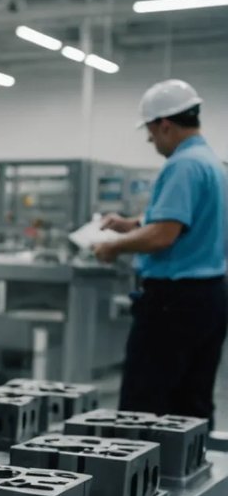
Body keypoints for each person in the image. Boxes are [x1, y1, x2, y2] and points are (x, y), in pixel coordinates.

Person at [95, 79, 227, 421]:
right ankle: (188, 472)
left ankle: (143, 473)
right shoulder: (212, 164)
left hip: (173, 303)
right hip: (208, 297)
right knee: (191, 403)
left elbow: (164, 235)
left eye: (150, 131)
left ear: (165, 125)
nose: (150, 139)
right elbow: (179, 222)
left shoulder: (182, 165)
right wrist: (133, 224)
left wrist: (113, 246)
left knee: (144, 402)